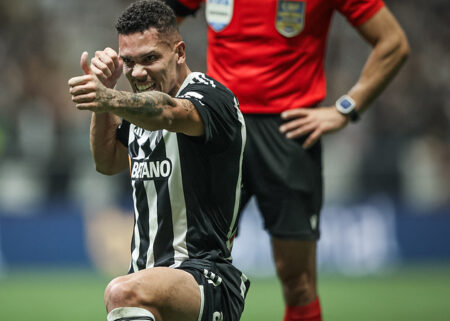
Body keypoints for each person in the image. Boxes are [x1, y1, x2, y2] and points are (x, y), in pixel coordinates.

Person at [164, 0, 410, 320]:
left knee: (298, 281)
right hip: (219, 126)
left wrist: (345, 109)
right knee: (189, 270)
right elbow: (157, 28)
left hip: (289, 132)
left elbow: (393, 42)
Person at [68, 1, 250, 320]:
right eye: (129, 62)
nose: (138, 72)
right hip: (148, 281)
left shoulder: (211, 99)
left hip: (205, 279)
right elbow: (107, 161)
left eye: (150, 58)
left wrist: (108, 97)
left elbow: (164, 112)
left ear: (179, 52)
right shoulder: (136, 110)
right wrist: (105, 98)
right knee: (128, 291)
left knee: (122, 292)